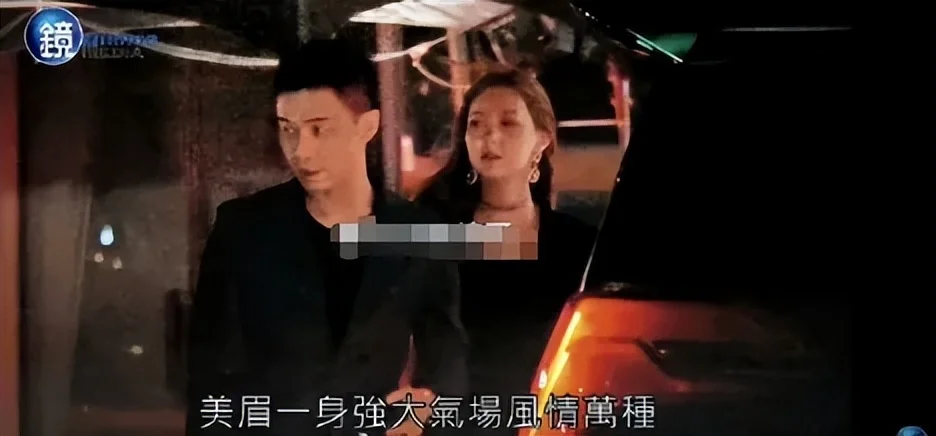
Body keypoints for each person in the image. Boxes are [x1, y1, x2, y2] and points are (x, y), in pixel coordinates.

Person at [186, 38, 467, 436]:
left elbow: (448, 352)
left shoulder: (419, 232)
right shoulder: (244, 228)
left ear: (367, 126)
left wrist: (429, 401)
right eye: (288, 129)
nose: (301, 150)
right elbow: (208, 377)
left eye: (319, 129)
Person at [418, 70, 596, 410]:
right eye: (476, 124)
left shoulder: (578, 245)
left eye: (508, 123)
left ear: (541, 140)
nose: (490, 136)